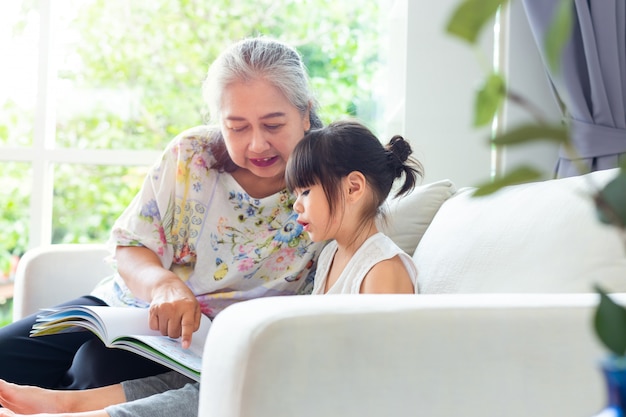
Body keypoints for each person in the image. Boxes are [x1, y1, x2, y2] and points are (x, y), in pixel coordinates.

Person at [0, 120, 424, 417]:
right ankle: (63, 404)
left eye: (305, 192)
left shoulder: (382, 267)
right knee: (194, 383)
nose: (295, 207)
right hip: (292, 376)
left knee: (210, 394)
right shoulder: (332, 252)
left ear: (353, 187)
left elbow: (383, 377)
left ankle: (73, 411)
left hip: (313, 394)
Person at [0, 36, 326, 390]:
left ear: (305, 114)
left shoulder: (331, 182)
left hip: (208, 343)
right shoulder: (191, 155)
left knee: (93, 370)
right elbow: (130, 246)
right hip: (128, 309)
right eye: (237, 127)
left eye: (273, 125)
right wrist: (164, 285)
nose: (257, 144)